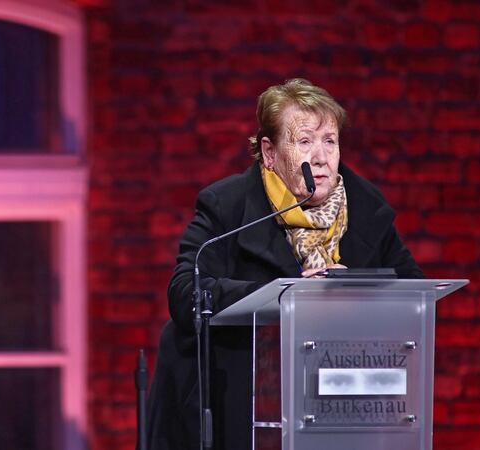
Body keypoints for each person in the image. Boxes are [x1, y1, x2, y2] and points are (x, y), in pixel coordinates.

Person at [146, 78, 424, 450]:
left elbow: (412, 293)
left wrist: (357, 287)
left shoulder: (366, 208)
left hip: (342, 411)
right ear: (270, 153)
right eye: (305, 141)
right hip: (240, 413)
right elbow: (186, 294)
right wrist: (286, 297)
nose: (321, 157)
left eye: (330, 140)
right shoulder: (227, 205)